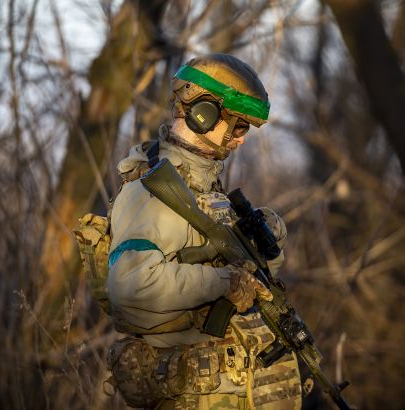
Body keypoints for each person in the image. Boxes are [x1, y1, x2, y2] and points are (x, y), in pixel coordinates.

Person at [104, 53, 302, 410]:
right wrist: (223, 283)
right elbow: (130, 285)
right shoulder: (151, 192)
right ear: (203, 113)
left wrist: (265, 245)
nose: (241, 139)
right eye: (239, 126)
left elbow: (252, 285)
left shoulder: (205, 190)